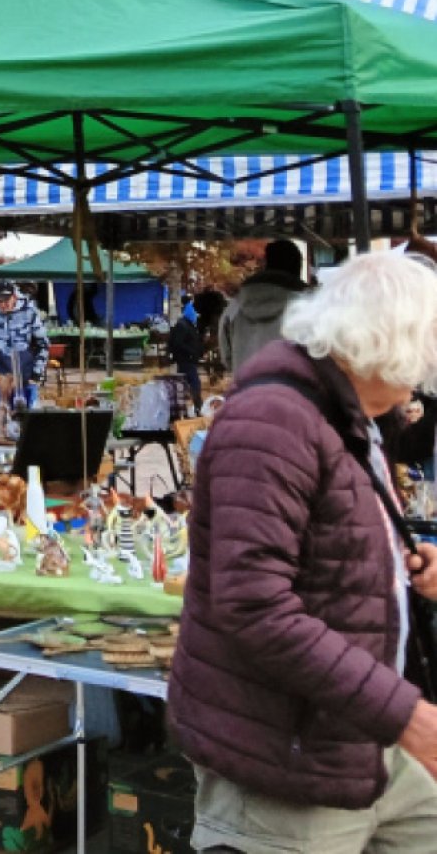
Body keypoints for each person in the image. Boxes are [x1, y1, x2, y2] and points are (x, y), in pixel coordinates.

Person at [169, 250, 437, 851]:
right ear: (387, 346)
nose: (423, 376)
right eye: (425, 353)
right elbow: (254, 605)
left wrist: (402, 567)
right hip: (284, 757)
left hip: (364, 740)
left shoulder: (347, 413)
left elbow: (334, 550)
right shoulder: (274, 420)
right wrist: (403, 714)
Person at [219, 239, 309, 376]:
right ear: (297, 267)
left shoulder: (234, 307)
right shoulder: (308, 306)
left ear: (266, 264)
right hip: (293, 386)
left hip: (247, 385)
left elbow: (226, 358)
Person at [0, 282, 48, 412]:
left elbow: (43, 344)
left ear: (14, 297)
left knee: (28, 418)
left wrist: (36, 375)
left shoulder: (30, 312)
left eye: (6, 300)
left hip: (26, 376)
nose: (3, 304)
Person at [166, 300, 203, 410]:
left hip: (188, 359)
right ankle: (197, 406)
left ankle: (182, 408)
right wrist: (191, 352)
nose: (196, 317)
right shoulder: (183, 325)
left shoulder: (188, 325)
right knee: (194, 382)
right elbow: (178, 343)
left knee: (184, 383)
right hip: (186, 359)